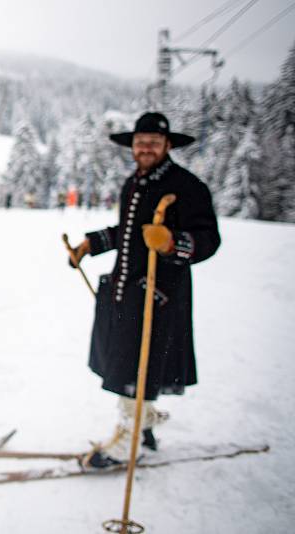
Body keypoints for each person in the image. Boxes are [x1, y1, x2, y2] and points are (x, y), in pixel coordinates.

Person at [68, 112, 221, 468]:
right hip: (126, 289)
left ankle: (127, 442)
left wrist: (172, 243)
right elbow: (127, 232)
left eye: (153, 142)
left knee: (134, 368)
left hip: (159, 296)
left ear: (167, 145)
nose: (145, 148)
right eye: (140, 142)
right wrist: (91, 245)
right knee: (128, 361)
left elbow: (209, 240)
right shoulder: (134, 183)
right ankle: (144, 420)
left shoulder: (187, 186)